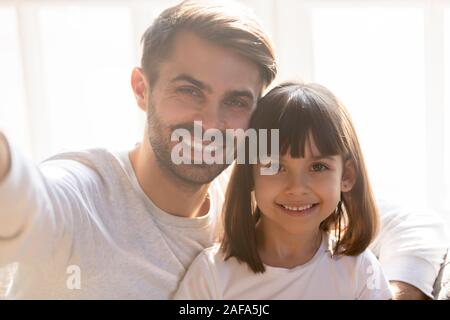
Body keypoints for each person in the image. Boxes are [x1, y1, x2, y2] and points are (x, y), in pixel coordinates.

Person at [0, 0, 447, 299]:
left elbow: (409, 223)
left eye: (235, 102)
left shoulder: (257, 195)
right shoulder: (83, 193)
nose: (211, 124)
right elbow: (27, 200)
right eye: (189, 90)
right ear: (141, 88)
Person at [174, 82, 393, 299]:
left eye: (318, 167)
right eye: (276, 166)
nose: (297, 188)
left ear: (346, 176)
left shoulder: (360, 270)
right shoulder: (212, 275)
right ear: (250, 173)